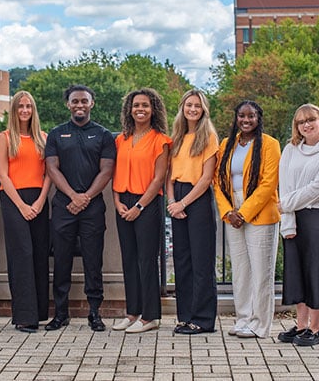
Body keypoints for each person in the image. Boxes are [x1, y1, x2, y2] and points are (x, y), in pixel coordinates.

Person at [44, 84, 116, 332]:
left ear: (91, 103)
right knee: (61, 262)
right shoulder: (56, 134)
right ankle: (60, 314)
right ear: (68, 104)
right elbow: (52, 168)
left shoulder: (104, 135)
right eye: (75, 101)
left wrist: (85, 197)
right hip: (64, 208)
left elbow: (107, 170)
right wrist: (73, 196)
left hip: (93, 208)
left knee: (93, 263)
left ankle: (94, 313)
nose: (79, 105)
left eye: (84, 101)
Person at [277, 104, 319, 346]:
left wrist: (285, 204)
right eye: (301, 121)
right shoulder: (291, 149)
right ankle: (301, 324)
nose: (307, 125)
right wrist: (288, 219)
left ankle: (316, 329)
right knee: (297, 272)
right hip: (294, 218)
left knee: (316, 270)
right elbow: (284, 185)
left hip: (318, 218)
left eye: (311, 120)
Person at [215, 100, 280, 339]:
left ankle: (260, 323)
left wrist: (244, 213)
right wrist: (228, 212)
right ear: (236, 118)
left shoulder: (270, 144)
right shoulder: (226, 145)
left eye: (251, 116)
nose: (246, 120)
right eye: (241, 116)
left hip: (260, 211)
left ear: (258, 117)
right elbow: (217, 181)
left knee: (261, 270)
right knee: (241, 269)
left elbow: (268, 183)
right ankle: (243, 318)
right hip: (232, 210)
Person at [112, 88, 171, 334]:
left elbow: (159, 179)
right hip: (122, 202)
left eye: (145, 105)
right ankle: (132, 312)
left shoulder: (161, 140)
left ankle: (150, 316)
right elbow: (116, 173)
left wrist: (139, 206)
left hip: (147, 203)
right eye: (136, 105)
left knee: (147, 260)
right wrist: (117, 201)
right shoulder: (121, 139)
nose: (140, 109)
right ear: (129, 109)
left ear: (153, 109)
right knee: (129, 259)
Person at [0, 91, 52, 333]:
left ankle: (39, 313)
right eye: (20, 106)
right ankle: (24, 316)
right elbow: (2, 175)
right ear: (14, 110)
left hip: (39, 199)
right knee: (22, 256)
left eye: (29, 106)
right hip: (14, 201)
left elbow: (50, 173)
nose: (25, 110)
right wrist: (21, 205)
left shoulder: (44, 137)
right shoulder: (5, 138)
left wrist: (39, 202)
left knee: (40, 255)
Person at [167, 89, 219, 335]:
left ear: (203, 109)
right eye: (189, 105)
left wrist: (183, 203)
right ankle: (185, 316)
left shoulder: (208, 136)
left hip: (196, 200)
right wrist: (171, 202)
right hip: (176, 199)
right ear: (182, 107)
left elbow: (207, 177)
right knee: (182, 261)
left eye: (197, 106)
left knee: (201, 262)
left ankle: (203, 319)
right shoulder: (176, 136)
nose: (193, 109)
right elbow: (168, 175)